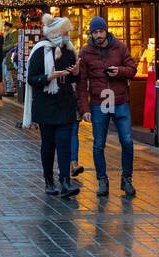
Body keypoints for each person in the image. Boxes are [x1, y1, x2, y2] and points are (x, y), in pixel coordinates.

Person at [77, 16, 139, 198]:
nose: (98, 35)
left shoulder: (119, 47)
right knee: (98, 144)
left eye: (100, 31)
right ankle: (102, 180)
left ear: (106, 31)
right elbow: (81, 84)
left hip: (120, 101)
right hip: (99, 102)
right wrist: (84, 109)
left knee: (127, 142)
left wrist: (119, 71)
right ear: (91, 34)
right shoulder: (86, 52)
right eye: (95, 32)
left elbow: (133, 70)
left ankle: (126, 179)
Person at [25, 16, 81, 197]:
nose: (67, 34)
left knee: (64, 143)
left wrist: (76, 73)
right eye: (64, 31)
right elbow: (32, 79)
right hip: (46, 104)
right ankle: (49, 181)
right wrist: (49, 77)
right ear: (56, 33)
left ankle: (65, 181)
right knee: (48, 144)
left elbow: (73, 78)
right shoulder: (41, 50)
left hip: (65, 103)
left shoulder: (69, 50)